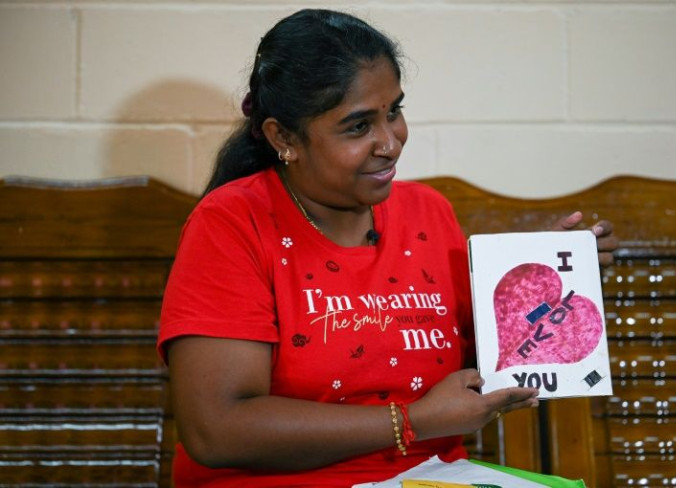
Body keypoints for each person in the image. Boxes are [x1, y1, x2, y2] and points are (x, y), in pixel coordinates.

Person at [157, 8, 618, 487]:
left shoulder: (427, 213)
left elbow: (490, 362)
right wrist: (415, 420)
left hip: (432, 478)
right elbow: (218, 430)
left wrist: (548, 283)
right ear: (284, 138)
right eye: (358, 127)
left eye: (394, 111)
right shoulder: (232, 223)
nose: (390, 142)